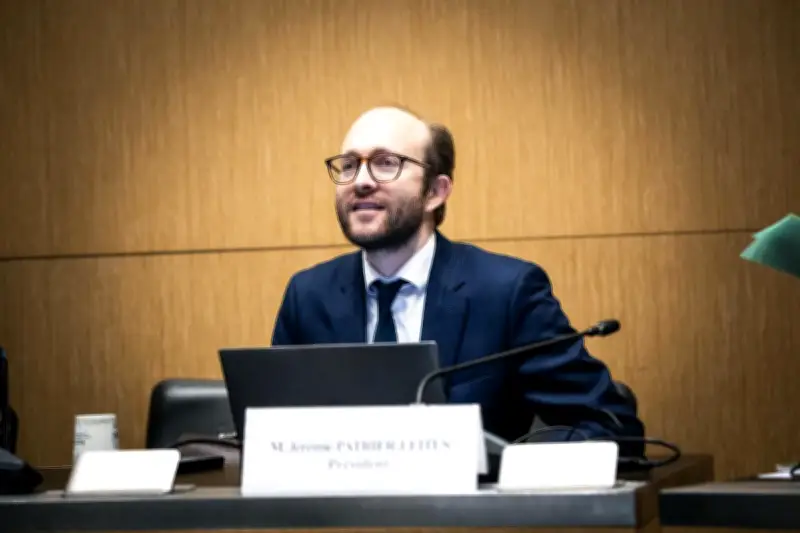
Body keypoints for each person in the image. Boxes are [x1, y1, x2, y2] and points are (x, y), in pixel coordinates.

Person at [272, 105, 645, 452]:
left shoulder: (506, 292)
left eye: (386, 164)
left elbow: (611, 425)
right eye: (350, 165)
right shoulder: (308, 296)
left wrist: (510, 467)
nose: (361, 181)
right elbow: (271, 434)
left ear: (435, 192)